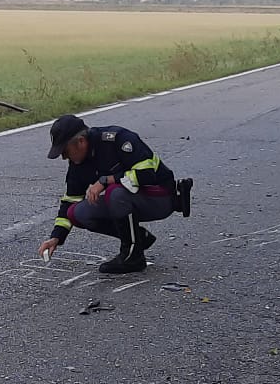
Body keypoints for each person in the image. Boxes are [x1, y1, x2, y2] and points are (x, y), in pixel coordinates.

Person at [37, 113, 194, 274]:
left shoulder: (118, 140)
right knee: (77, 213)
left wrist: (107, 180)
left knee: (115, 192)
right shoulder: (78, 163)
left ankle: (133, 257)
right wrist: (56, 237)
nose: (64, 157)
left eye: (65, 151)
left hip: (160, 197)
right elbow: (70, 200)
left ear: (81, 142)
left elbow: (148, 174)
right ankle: (139, 237)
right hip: (127, 200)